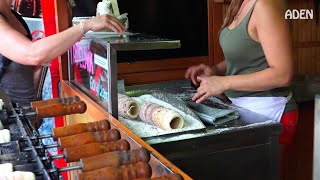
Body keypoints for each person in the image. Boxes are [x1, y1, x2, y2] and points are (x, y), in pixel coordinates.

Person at [0, 0, 125, 105]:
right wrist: (87, 25)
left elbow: (31, 65)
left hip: (25, 113)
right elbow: (32, 54)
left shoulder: (14, 17)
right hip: (8, 120)